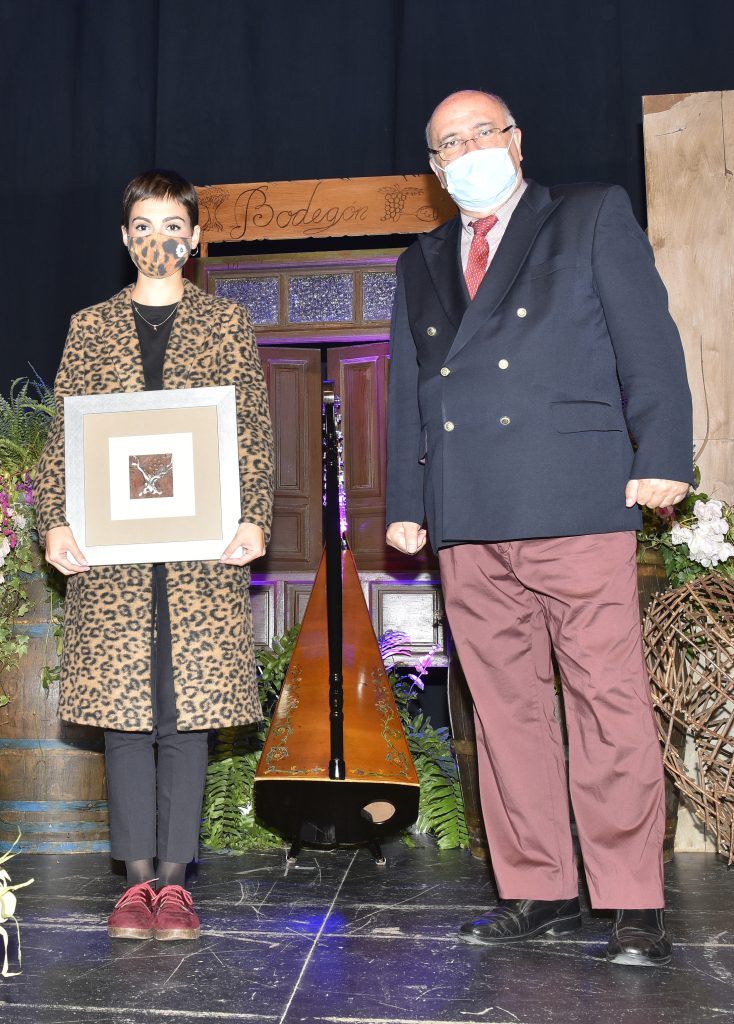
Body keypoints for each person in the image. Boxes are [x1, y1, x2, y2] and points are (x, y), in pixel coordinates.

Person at [386, 90, 693, 968]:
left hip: (577, 497)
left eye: (483, 131)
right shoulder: (422, 259)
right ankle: (539, 884)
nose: (469, 148)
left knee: (607, 700)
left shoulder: (590, 215)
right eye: (450, 142)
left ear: (517, 141)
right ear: (437, 169)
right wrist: (407, 502)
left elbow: (651, 344)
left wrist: (663, 449)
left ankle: (631, 897)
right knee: (506, 711)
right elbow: (414, 386)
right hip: (470, 511)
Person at [35, 169, 274, 942]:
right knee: (126, 719)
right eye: (143, 224)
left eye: (174, 224)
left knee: (187, 717)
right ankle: (135, 887)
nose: (158, 239)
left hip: (201, 557)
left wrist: (255, 517)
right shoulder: (89, 327)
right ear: (124, 238)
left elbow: (252, 435)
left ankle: (175, 885)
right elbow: (62, 440)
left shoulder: (227, 325)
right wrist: (56, 523)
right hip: (115, 559)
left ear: (197, 238)